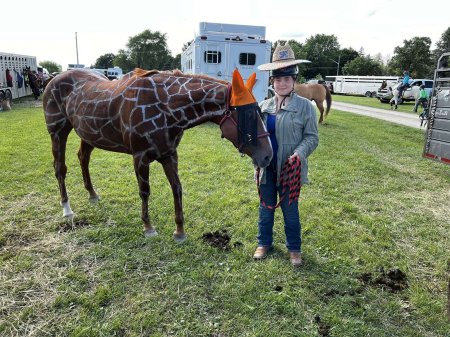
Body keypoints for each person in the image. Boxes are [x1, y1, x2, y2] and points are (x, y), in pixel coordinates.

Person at [254, 43, 319, 267]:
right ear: (272, 82)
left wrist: (298, 155)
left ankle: (294, 249)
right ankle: (264, 243)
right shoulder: (263, 107)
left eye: (287, 79)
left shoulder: (305, 107)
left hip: (291, 168)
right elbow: (255, 137)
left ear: (294, 81)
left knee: (290, 211)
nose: (282, 83)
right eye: (277, 79)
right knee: (266, 207)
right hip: (267, 167)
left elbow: (312, 137)